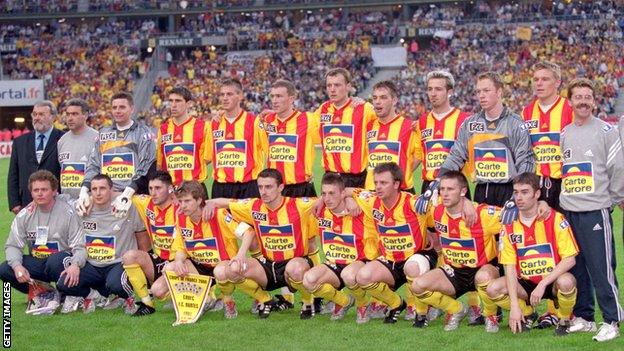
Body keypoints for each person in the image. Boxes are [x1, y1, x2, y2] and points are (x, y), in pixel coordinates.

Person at [559, 78, 624, 342]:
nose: (583, 101)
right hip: (569, 210)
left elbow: (617, 168)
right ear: (570, 101)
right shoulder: (565, 133)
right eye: (578, 96)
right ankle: (584, 316)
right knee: (577, 267)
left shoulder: (607, 131)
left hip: (595, 210)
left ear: (594, 101)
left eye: (588, 96)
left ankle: (611, 319)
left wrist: (614, 197)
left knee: (601, 267)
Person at [206, 168, 318, 319]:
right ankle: (265, 299)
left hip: (293, 264)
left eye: (269, 187)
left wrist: (350, 200)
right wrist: (207, 204)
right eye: (260, 187)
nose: (264, 191)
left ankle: (307, 302)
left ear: (281, 187)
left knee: (296, 268)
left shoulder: (298, 205)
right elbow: (226, 202)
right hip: (267, 266)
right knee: (233, 269)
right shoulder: (253, 206)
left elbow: (327, 199)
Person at [482, 172, 578, 337]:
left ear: (537, 194)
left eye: (525, 192)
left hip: (551, 280)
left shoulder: (555, 219)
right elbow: (509, 267)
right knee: (493, 288)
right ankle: (527, 313)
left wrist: (543, 284)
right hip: (525, 283)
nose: (519, 197)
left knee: (567, 281)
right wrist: (514, 307)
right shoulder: (509, 224)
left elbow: (570, 260)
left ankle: (564, 319)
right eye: (516, 192)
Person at [409, 171, 501, 331]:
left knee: (483, 276)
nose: (445, 194)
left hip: (482, 268)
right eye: (442, 189)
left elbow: (515, 216)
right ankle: (457, 309)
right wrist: (348, 193)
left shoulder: (483, 214)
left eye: (450, 189)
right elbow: (402, 201)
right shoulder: (436, 211)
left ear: (463, 191)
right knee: (417, 285)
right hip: (454, 272)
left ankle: (491, 316)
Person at [350, 162, 438, 325]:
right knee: (363, 276)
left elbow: (442, 211)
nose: (378, 187)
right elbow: (349, 191)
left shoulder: (413, 203)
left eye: (383, 183)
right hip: (391, 259)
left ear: (397, 184)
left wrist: (431, 232)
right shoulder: (372, 201)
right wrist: (348, 199)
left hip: (419, 257)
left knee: (411, 267)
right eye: (376, 182)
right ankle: (397, 304)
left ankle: (421, 313)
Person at [521, 61, 574, 329]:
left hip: (564, 184)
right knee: (543, 243)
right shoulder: (527, 111)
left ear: (557, 82)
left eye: (544, 79)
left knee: (564, 244)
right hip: (538, 184)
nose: (538, 83)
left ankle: (565, 306)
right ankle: (548, 306)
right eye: (535, 78)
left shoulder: (568, 108)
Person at [437, 71, 534, 207]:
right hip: (481, 191)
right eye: (478, 91)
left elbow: (525, 162)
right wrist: (438, 179)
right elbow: (455, 156)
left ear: (499, 92)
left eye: (486, 90)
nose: (481, 95)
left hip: (508, 191)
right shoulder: (469, 124)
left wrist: (518, 194)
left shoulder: (516, 124)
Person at [55, 174, 149, 314]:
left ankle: (125, 297)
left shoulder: (126, 207)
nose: (98, 193)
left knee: (117, 285)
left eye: (102, 188)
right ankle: (94, 296)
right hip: (92, 265)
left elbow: (141, 235)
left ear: (112, 190)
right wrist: (75, 265)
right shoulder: (82, 208)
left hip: (118, 263)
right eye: (94, 189)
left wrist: (142, 265)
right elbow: (79, 243)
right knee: (63, 283)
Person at [0, 170, 85, 312]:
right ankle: (45, 292)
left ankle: (68, 293)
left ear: (54, 191)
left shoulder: (68, 213)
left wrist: (76, 264)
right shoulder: (25, 215)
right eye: (36, 190)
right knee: (5, 269)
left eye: (44, 190)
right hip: (38, 262)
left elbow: (80, 246)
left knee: (54, 261)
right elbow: (13, 245)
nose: (40, 193)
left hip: (61, 263)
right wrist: (17, 266)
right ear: (31, 193)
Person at [302, 172, 378, 323]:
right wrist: (319, 200)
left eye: (332, 193)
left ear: (343, 193)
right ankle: (343, 301)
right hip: (334, 265)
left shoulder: (359, 210)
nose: (327, 198)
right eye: (323, 193)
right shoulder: (319, 211)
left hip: (359, 263)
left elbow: (374, 194)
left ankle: (362, 305)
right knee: (308, 280)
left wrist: (351, 196)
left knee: (349, 275)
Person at [165, 181, 241, 319]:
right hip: (200, 266)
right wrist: (179, 261)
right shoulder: (181, 217)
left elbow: (247, 232)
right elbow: (181, 247)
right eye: (181, 201)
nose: (183, 206)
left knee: (220, 271)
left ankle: (229, 300)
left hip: (223, 266)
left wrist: (241, 256)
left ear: (199, 200)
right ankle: (206, 300)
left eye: (187, 201)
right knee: (170, 268)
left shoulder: (219, 214)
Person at [77, 92, 156, 218]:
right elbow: (94, 165)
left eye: (122, 107)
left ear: (132, 109)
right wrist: (84, 190)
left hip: (132, 197)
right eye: (114, 107)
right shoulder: (103, 133)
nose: (118, 111)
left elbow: (146, 166)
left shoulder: (143, 133)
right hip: (105, 198)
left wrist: (127, 194)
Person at [123, 171, 178, 316]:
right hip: (159, 259)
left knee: (158, 290)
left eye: (158, 188)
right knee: (129, 256)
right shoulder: (146, 203)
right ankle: (147, 304)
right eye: (151, 188)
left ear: (170, 189)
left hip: (180, 261)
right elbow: (119, 195)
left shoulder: (181, 207)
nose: (153, 193)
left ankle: (193, 295)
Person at [313, 68, 377, 187]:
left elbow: (388, 120)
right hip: (330, 178)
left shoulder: (364, 108)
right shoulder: (322, 110)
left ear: (348, 86)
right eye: (329, 85)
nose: (332, 89)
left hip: (356, 179)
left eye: (337, 85)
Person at [207, 78, 268, 199]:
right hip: (220, 188)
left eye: (229, 94)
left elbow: (270, 150)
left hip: (248, 187)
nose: (224, 98)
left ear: (240, 96)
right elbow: (207, 157)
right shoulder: (214, 124)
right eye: (222, 94)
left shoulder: (254, 122)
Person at [416, 70, 470, 194]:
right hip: (428, 187)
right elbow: (418, 155)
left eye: (438, 89)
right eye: (430, 89)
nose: (433, 94)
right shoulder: (422, 121)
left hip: (455, 186)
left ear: (449, 92)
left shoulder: (464, 120)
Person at [8, 100, 64, 214]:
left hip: (57, 203)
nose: (37, 117)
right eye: (35, 114)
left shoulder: (64, 139)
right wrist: (14, 202)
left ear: (53, 117)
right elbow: (13, 174)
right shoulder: (20, 142)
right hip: (26, 203)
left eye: (41, 114)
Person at [365, 80, 420, 193]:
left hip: (401, 191)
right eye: (375, 98)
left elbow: (419, 155)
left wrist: (402, 172)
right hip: (372, 192)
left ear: (394, 101)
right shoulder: (368, 126)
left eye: (383, 97)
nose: (377, 102)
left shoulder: (409, 127)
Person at [156, 86, 211, 187]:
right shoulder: (163, 129)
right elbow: (160, 163)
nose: (173, 105)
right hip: (170, 190)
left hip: (195, 188)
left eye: (178, 101)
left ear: (188, 104)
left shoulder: (203, 127)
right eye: (171, 101)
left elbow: (207, 158)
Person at [57, 98, 99, 199]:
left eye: (75, 114)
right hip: (67, 204)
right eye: (68, 114)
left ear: (85, 115)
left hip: (91, 202)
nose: (70, 118)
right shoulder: (62, 141)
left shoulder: (97, 139)